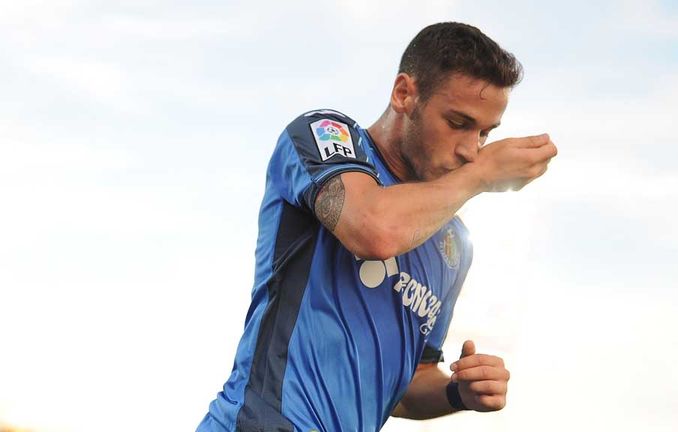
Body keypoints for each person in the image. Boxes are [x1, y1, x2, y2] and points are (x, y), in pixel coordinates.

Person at [197, 22, 557, 432]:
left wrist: (459, 392)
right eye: (458, 123)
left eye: (485, 134)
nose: (471, 150)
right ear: (404, 93)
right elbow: (373, 230)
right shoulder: (324, 134)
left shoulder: (454, 242)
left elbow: (408, 384)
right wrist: (482, 175)